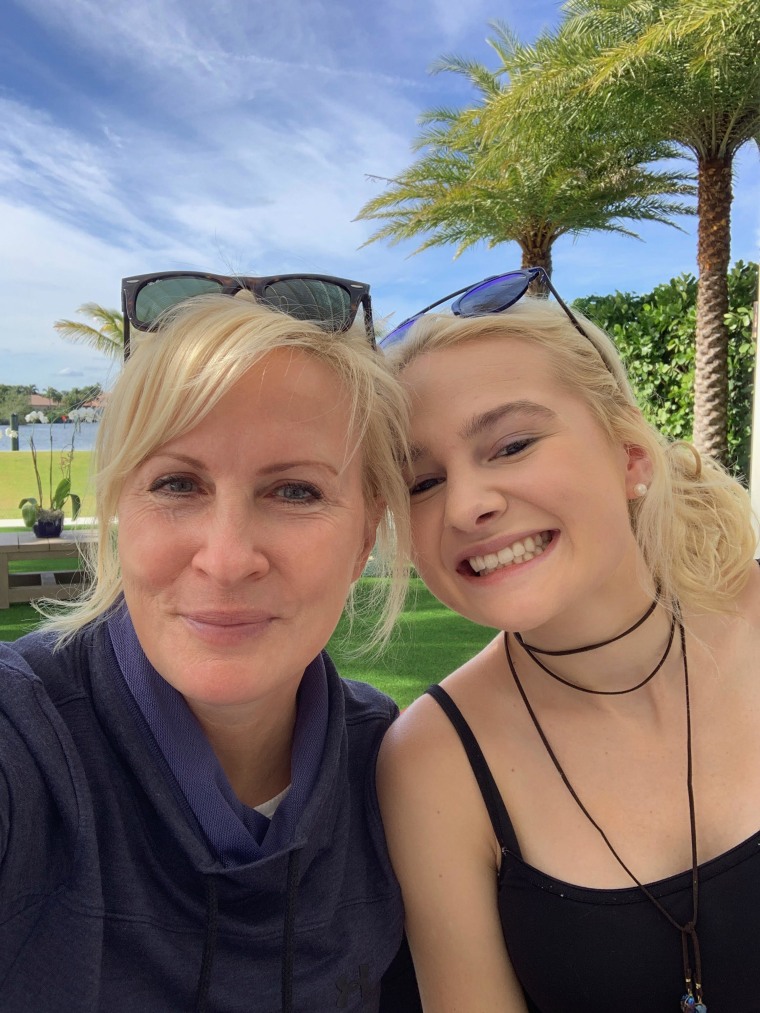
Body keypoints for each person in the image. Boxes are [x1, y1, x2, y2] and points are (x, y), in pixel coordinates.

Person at [0, 287, 421, 1012]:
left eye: (294, 491)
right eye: (176, 483)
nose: (227, 560)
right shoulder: (25, 740)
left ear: (364, 536)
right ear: (120, 508)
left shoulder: (397, 773)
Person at [375, 270, 760, 1012]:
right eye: (421, 482)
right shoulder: (434, 762)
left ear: (629, 458)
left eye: (512, 444)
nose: (467, 505)